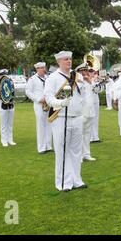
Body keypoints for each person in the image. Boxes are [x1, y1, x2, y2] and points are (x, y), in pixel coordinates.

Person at [44, 51, 87, 192]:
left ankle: (76, 180)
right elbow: (48, 98)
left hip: (77, 116)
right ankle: (63, 182)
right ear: (59, 62)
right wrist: (61, 103)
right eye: (66, 59)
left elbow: (83, 94)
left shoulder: (77, 76)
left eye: (70, 59)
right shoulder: (53, 78)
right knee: (62, 151)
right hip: (61, 118)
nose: (69, 61)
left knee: (75, 151)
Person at [25, 62, 53, 154]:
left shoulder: (47, 78)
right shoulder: (32, 79)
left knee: (49, 125)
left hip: (48, 104)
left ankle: (48, 146)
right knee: (41, 126)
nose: (44, 69)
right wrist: (38, 99)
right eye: (42, 68)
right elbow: (28, 92)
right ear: (37, 69)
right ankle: (41, 148)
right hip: (39, 104)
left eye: (44, 68)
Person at [75, 63, 96, 162]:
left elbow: (96, 91)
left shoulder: (89, 82)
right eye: (83, 71)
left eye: (86, 70)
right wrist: (83, 80)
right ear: (79, 72)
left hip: (90, 111)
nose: (86, 72)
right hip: (81, 111)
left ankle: (86, 154)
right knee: (79, 134)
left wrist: (90, 82)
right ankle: (78, 155)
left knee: (87, 134)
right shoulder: (77, 83)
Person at [0, 69, 15, 147]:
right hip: (2, 106)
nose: (5, 77)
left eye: (5, 75)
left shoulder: (10, 83)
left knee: (10, 124)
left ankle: (10, 139)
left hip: (11, 106)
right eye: (2, 75)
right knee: (3, 125)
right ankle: (4, 140)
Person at [90, 71, 102, 143]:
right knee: (90, 118)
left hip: (96, 100)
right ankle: (90, 137)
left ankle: (96, 137)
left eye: (94, 73)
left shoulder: (94, 81)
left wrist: (100, 84)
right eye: (91, 72)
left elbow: (98, 91)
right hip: (89, 101)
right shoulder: (86, 80)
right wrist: (93, 81)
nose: (93, 74)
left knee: (96, 118)